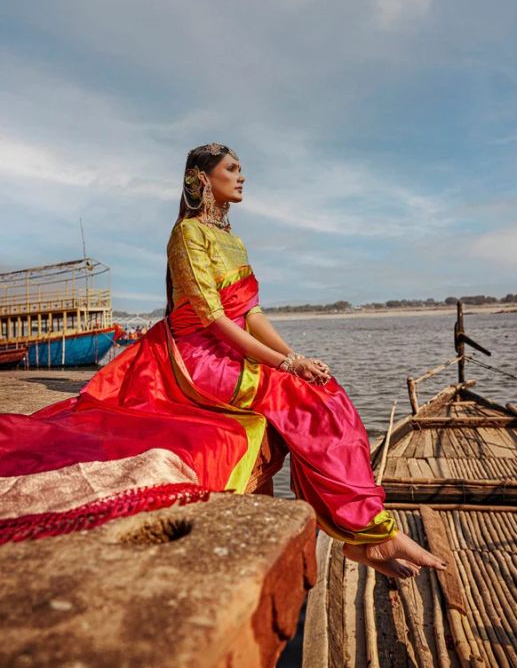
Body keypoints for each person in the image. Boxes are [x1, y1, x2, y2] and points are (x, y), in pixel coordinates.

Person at [0, 142, 445, 579]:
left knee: (322, 387)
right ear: (200, 179)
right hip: (196, 356)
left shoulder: (232, 240)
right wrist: (285, 368)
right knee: (302, 396)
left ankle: (360, 530)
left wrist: (296, 357)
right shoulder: (187, 234)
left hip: (230, 347)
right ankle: (367, 532)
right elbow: (212, 319)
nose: (241, 176)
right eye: (232, 168)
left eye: (239, 168)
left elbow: (251, 313)